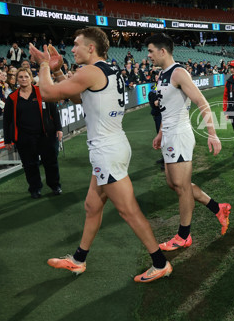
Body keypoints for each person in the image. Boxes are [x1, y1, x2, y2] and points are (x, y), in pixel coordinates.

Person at [29, 29, 171, 283]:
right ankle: (78, 259)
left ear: (91, 48)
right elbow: (76, 96)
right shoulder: (107, 69)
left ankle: (160, 263)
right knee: (92, 206)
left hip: (107, 151)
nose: (72, 50)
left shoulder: (91, 71)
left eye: (76, 45)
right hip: (112, 146)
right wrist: (59, 71)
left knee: (129, 211)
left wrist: (42, 64)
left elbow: (49, 94)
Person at [146, 33, 231, 251]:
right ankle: (218, 208)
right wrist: (160, 133)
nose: (148, 55)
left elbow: (200, 101)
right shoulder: (162, 75)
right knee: (173, 184)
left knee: (182, 187)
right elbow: (167, 108)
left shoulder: (178, 72)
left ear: (163, 51)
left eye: (151, 51)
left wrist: (212, 133)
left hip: (180, 135)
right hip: (169, 135)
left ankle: (183, 235)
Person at [2, 67, 62, 198]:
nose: (23, 79)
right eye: (20, 77)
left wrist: (59, 128)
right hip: (24, 138)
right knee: (30, 165)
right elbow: (6, 121)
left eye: (26, 76)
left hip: (45, 136)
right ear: (16, 79)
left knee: (50, 162)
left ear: (31, 78)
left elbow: (54, 111)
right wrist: (7, 140)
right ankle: (35, 189)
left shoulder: (42, 92)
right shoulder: (12, 98)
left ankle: (55, 186)